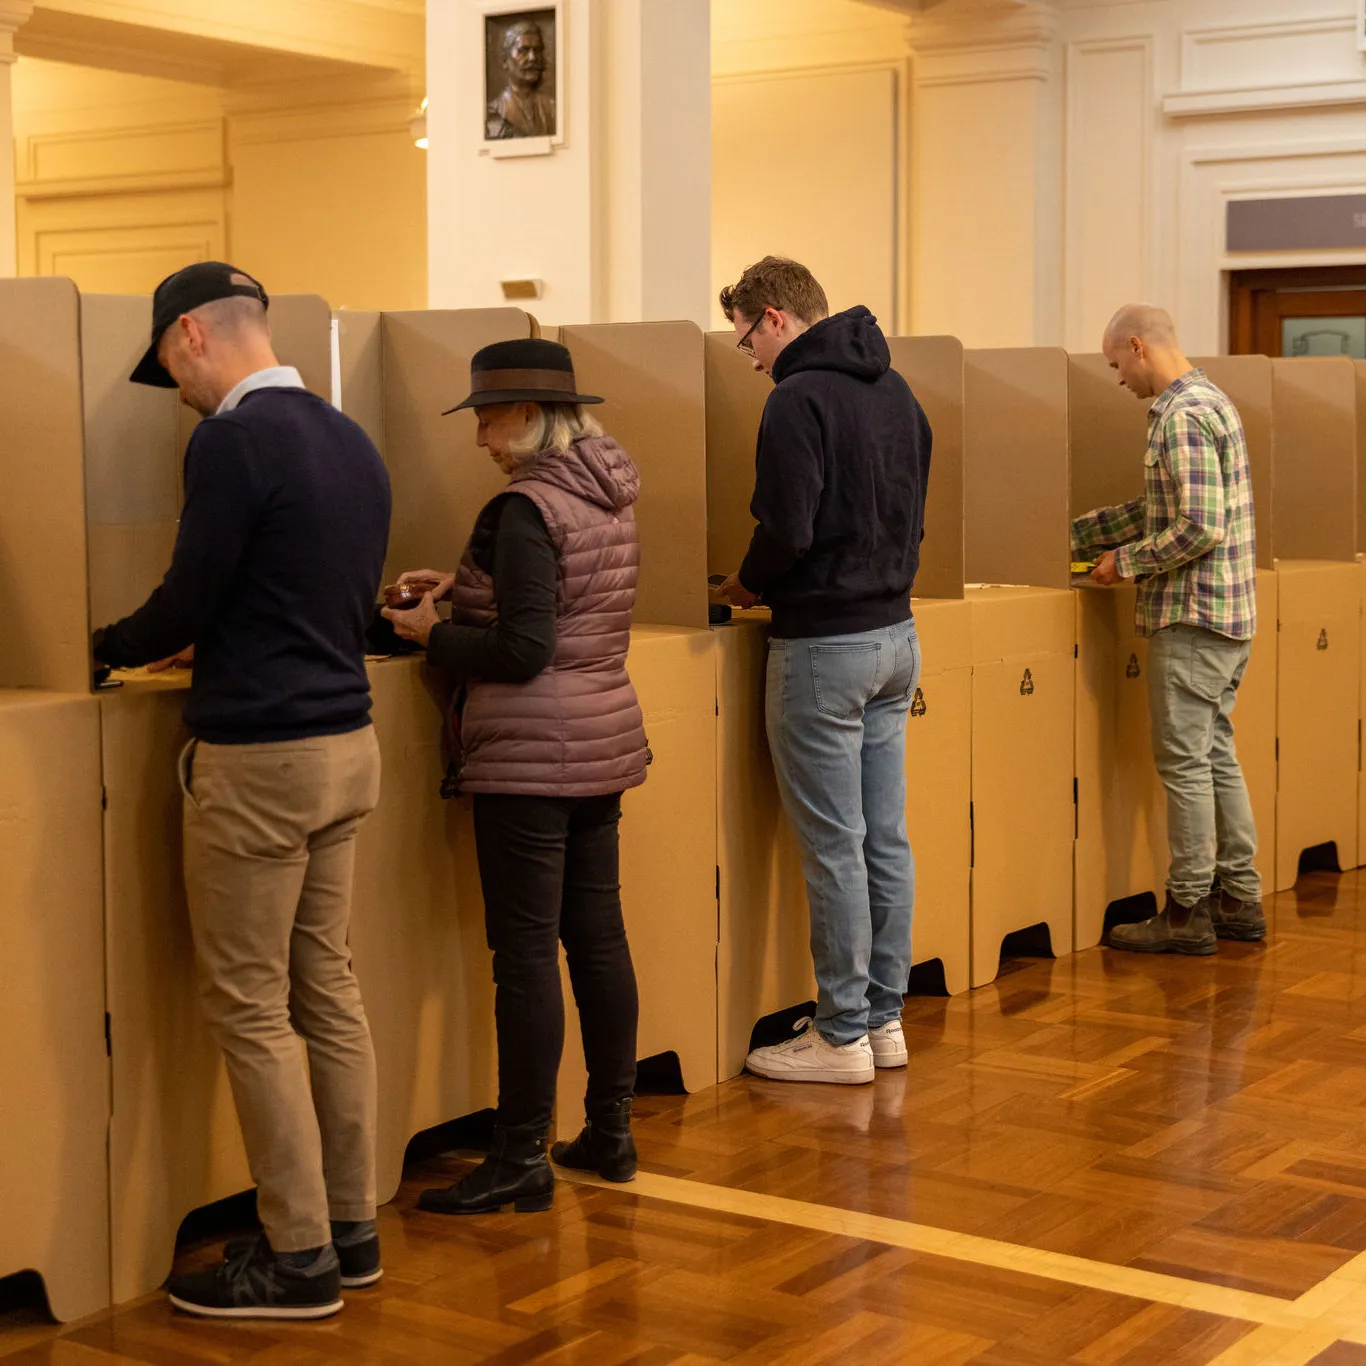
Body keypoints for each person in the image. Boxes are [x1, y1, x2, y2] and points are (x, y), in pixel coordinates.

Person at [91, 262, 391, 1320]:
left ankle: (297, 1254)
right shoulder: (348, 436)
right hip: (348, 742)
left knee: (252, 1006)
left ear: (189, 338)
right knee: (330, 988)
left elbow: (193, 589)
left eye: (168, 369)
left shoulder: (229, 440)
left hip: (260, 759)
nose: (175, 392)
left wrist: (106, 649)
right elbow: (312, 592)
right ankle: (352, 1229)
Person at [384, 338, 648, 1211]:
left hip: (531, 756)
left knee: (525, 955)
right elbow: (570, 609)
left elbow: (526, 648)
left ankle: (518, 1155)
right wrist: (461, 589)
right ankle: (609, 1131)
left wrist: (432, 635)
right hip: (600, 738)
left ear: (531, 416)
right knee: (598, 939)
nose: (479, 438)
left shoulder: (529, 507)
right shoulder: (603, 490)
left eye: (489, 418)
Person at [716, 256, 932, 1086]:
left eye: (746, 342)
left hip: (822, 647)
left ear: (773, 317)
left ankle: (839, 1035)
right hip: (895, 635)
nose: (751, 359)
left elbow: (788, 528)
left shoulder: (796, 400)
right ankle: (883, 1022)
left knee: (834, 846)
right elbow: (914, 514)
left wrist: (746, 585)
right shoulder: (899, 392)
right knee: (885, 838)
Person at [1073, 304, 1263, 955]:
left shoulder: (1178, 416)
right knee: (1215, 757)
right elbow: (1163, 507)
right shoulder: (1213, 401)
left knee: (1184, 766)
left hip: (1192, 618)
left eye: (1115, 364)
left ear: (1137, 346)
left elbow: (1198, 527)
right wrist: (1080, 532)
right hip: (1229, 619)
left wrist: (1123, 563)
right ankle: (1239, 897)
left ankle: (1186, 912)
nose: (1118, 378)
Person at [486, 18, 556, 139]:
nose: (532, 57)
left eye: (537, 50)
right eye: (523, 51)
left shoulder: (552, 108)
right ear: (504, 60)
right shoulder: (494, 111)